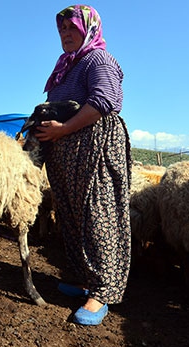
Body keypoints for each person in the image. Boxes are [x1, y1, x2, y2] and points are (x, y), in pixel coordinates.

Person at [33, 5, 131, 326]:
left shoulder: (98, 59)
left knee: (96, 213)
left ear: (88, 29)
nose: (65, 34)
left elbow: (104, 102)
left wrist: (62, 129)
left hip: (94, 145)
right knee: (69, 212)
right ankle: (78, 276)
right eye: (61, 30)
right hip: (66, 149)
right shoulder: (64, 66)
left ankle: (102, 289)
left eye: (71, 28)